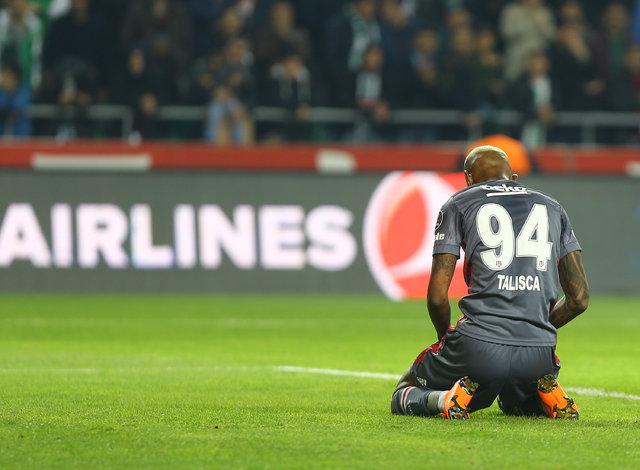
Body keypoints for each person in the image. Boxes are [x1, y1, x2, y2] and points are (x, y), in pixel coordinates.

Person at [391, 145, 589, 420]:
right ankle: (547, 397)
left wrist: (445, 338)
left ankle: (445, 399)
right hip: (539, 352)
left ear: (468, 178)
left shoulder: (459, 203)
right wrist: (536, 325)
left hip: (477, 345)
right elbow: (579, 299)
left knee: (404, 389)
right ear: (514, 178)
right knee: (512, 404)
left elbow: (437, 296)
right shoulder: (553, 207)